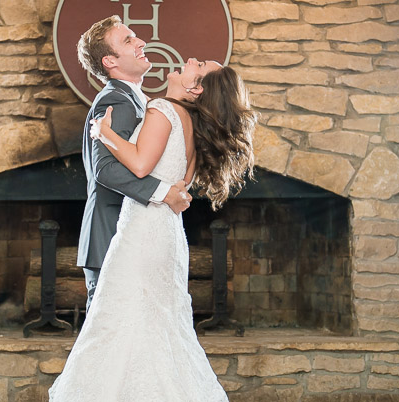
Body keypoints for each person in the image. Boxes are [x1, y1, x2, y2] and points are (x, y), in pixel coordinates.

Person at [49, 51, 257, 401]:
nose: (192, 59)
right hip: (167, 234)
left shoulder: (163, 110)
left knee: (124, 321)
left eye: (200, 65)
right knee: (158, 327)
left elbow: (142, 165)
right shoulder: (191, 124)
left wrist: (104, 133)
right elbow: (174, 182)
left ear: (196, 89)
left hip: (143, 232)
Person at [76, 15, 192, 314]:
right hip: (112, 236)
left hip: (133, 239)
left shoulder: (136, 100)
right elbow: (106, 170)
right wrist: (165, 193)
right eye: (128, 40)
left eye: (135, 37)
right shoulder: (116, 101)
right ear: (110, 62)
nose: (140, 42)